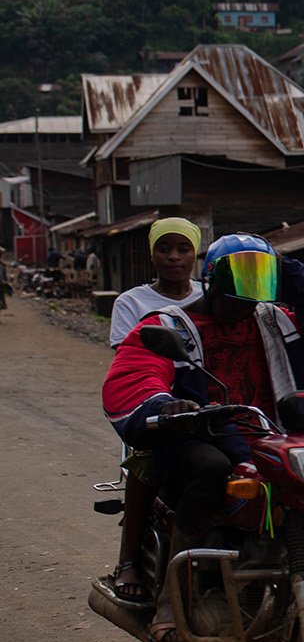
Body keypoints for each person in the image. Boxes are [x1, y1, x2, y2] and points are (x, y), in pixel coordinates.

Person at [101, 234, 304, 642]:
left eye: (260, 278)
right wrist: (164, 405)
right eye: (242, 278)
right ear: (214, 280)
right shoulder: (169, 324)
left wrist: (285, 266)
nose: (249, 297)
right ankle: (173, 596)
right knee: (207, 468)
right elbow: (134, 374)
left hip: (273, 440)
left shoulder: (277, 320)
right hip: (204, 435)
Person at [103, 218, 206, 605]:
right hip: (156, 404)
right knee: (146, 460)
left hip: (211, 400)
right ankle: (129, 559)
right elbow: (130, 359)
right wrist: (163, 401)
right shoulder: (131, 303)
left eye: (183, 248)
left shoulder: (211, 295)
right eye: (165, 248)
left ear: (196, 253)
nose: (175, 257)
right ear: (152, 254)